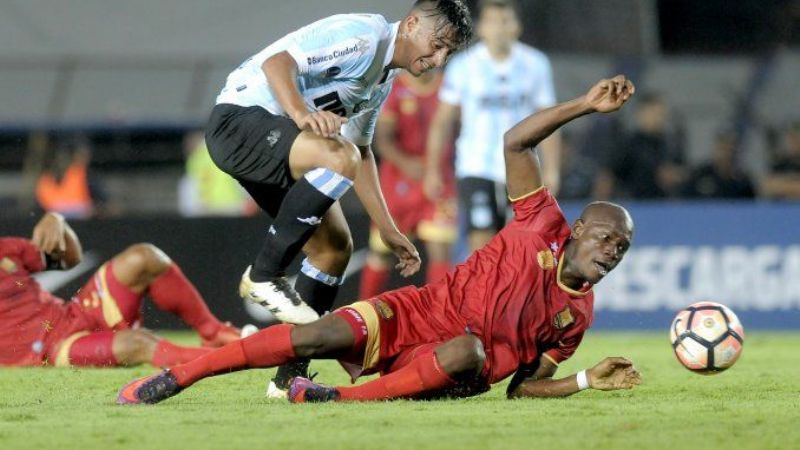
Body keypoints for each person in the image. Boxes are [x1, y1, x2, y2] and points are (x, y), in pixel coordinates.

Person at [117, 75, 641, 405]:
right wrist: (584, 106)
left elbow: (523, 387)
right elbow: (516, 141)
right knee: (314, 337)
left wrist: (584, 382)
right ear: (577, 230)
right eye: (607, 238)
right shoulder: (541, 220)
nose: (612, 251)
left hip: (457, 366)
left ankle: (337, 398)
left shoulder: (577, 316)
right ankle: (180, 376)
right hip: (416, 314)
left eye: (621, 247)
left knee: (468, 349)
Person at [205, 0, 473, 329]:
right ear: (412, 23)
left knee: (335, 251)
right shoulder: (364, 38)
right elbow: (277, 64)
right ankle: (265, 275)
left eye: (448, 53)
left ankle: (290, 378)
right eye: (438, 45)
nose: (439, 60)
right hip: (239, 123)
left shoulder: (381, 82)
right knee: (338, 155)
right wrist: (303, 115)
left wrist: (387, 228)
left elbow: (361, 152)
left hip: (278, 148)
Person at [0, 213, 243, 368]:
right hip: (55, 350)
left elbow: (70, 260)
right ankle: (233, 358)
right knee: (139, 343)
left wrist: (57, 221)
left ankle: (212, 330)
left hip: (74, 314)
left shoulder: (6, 249)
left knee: (144, 257)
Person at [424, 0, 562, 254]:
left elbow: (549, 118)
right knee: (481, 240)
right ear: (481, 28)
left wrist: (553, 168)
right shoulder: (463, 66)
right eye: (492, 21)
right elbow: (443, 120)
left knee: (523, 242)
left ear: (517, 27)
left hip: (522, 166)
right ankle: (482, 294)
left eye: (505, 21)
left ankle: (514, 294)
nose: (499, 28)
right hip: (477, 165)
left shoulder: (535, 63)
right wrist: (432, 168)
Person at [359, 69, 457, 300]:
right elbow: (382, 139)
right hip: (398, 183)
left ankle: (439, 318)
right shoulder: (393, 87)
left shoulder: (451, 84)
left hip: (439, 180)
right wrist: (406, 163)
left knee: (441, 249)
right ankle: (362, 312)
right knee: (382, 252)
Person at [593, 92, 686, 199]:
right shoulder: (627, 144)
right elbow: (607, 176)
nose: (659, 118)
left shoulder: (671, 144)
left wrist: (675, 176)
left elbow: (683, 171)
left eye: (661, 114)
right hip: (635, 205)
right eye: (654, 113)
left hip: (664, 206)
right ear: (640, 113)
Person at [682, 129, 756, 199]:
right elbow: (685, 199)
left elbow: (750, 205)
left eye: (730, 148)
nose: (726, 153)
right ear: (715, 148)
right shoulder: (701, 174)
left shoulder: (742, 181)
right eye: (722, 147)